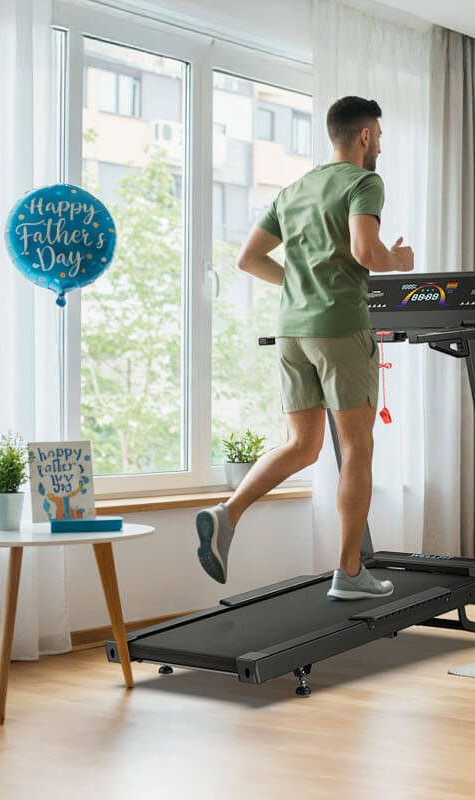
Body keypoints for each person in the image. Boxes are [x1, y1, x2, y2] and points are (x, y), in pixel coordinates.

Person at [194, 96, 415, 600]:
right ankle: (350, 573)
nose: (380, 143)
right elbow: (365, 251)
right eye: (378, 134)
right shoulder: (364, 182)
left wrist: (300, 286)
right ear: (363, 136)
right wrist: (399, 261)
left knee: (304, 445)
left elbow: (248, 259)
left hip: (292, 330)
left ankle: (227, 513)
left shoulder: (293, 188)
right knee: (357, 447)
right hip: (341, 327)